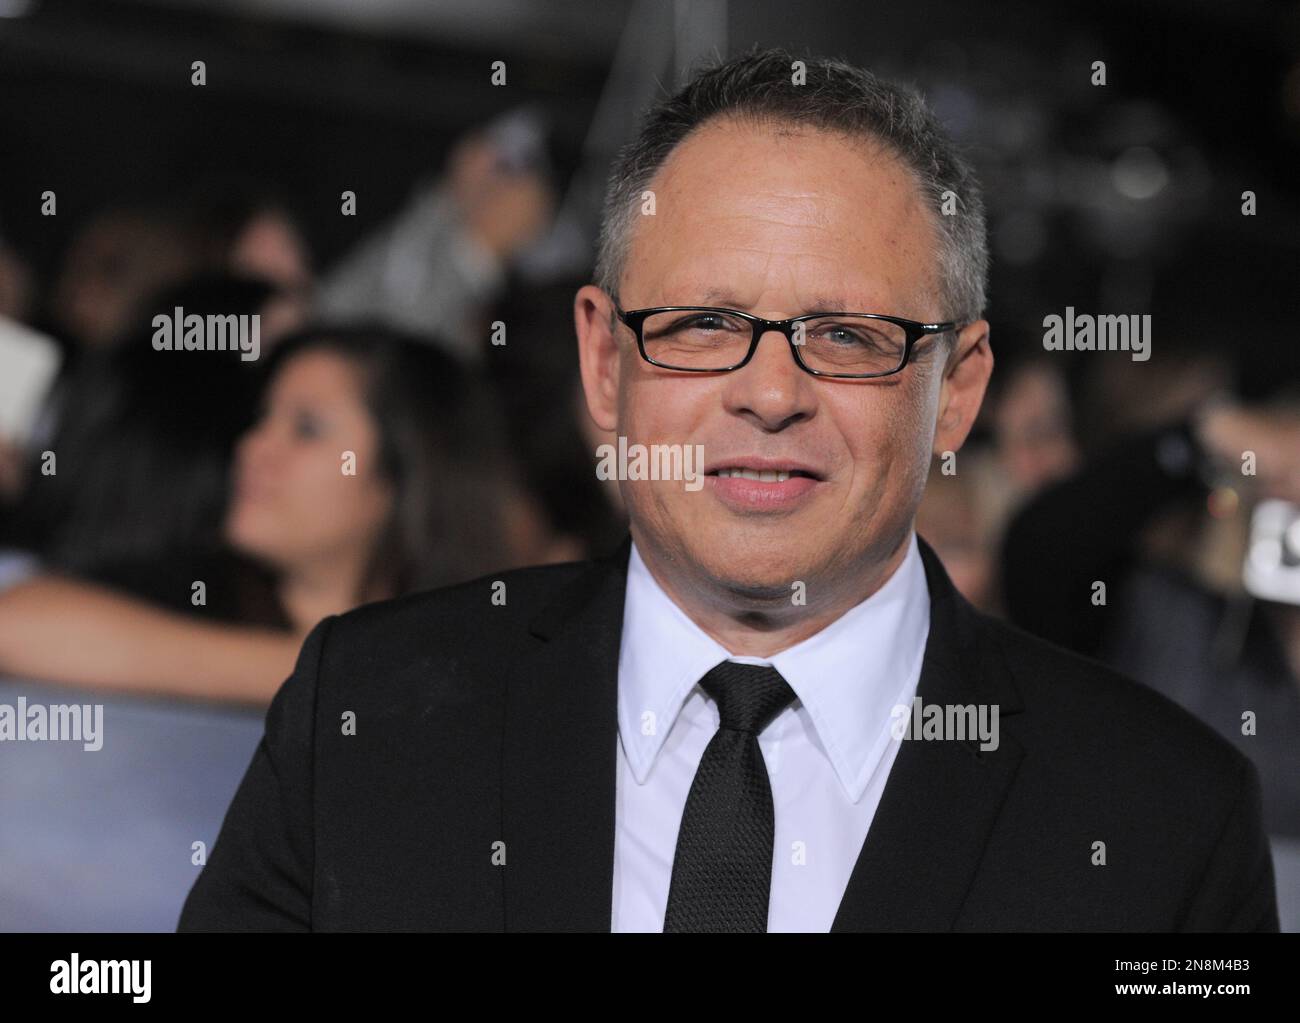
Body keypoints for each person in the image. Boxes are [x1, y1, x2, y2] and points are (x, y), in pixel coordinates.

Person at [179, 47, 1278, 932]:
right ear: (605, 363)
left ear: (956, 393)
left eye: (847, 336)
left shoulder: (1159, 818)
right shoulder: (370, 713)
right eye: (703, 325)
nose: (769, 392)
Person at [0, 324, 542, 703]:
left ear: (407, 476)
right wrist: (326, 672)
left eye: (306, 429)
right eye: (263, 420)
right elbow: (16, 625)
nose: (252, 446)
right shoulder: (191, 593)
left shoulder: (484, 648)